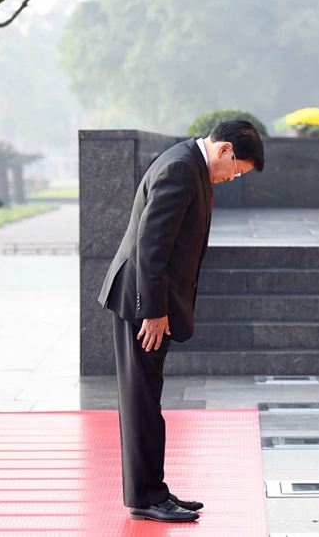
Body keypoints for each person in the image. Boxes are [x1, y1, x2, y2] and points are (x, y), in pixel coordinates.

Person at [97, 121, 265, 523]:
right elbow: (151, 248)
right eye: (237, 170)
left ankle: (155, 491)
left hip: (153, 301)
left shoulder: (190, 165)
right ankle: (146, 497)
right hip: (141, 304)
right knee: (141, 401)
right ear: (224, 150)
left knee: (147, 397)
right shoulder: (180, 169)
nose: (231, 178)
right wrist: (153, 311)